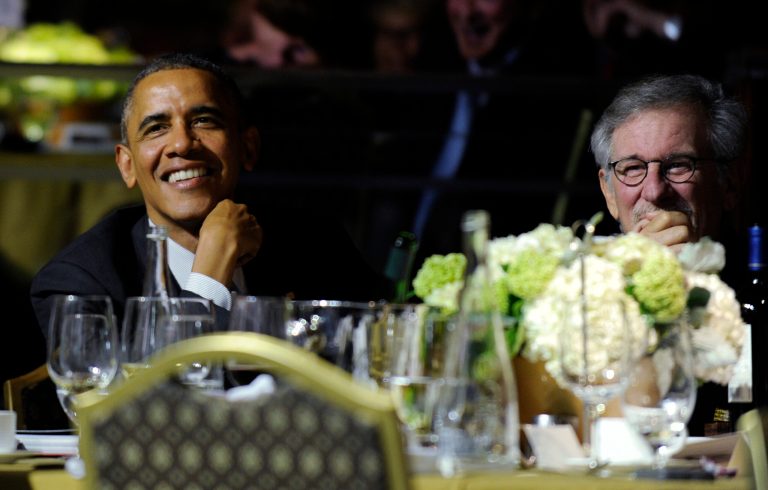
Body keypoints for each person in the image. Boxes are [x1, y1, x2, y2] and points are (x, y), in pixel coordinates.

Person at [30, 53, 388, 336]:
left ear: (247, 148)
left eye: (204, 121)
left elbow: (386, 344)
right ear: (127, 165)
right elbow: (146, 403)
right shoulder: (82, 283)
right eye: (156, 128)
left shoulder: (316, 243)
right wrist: (209, 276)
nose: (182, 143)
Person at [590, 73, 750, 436]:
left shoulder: (756, 294)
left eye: (678, 164)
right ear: (609, 194)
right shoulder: (578, 292)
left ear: (728, 184)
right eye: (633, 168)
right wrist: (636, 289)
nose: (654, 190)